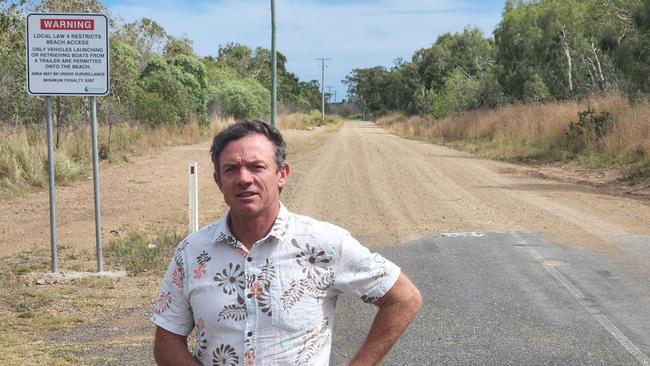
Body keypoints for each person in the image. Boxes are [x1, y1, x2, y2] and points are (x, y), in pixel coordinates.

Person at [151, 119, 422, 365]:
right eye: (231, 169)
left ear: (283, 174)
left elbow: (403, 298)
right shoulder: (192, 251)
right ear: (218, 181)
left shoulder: (324, 244)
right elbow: (167, 337)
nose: (244, 178)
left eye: (257, 166)